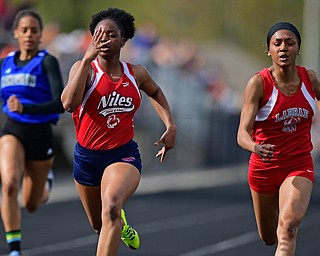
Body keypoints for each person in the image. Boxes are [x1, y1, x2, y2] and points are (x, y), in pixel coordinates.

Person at [61, 7, 176, 256]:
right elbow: (68, 104)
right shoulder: (84, 70)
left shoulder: (136, 73)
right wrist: (86, 60)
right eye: (99, 34)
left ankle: (116, 216)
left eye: (111, 35)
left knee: (111, 206)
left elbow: (155, 92)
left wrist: (170, 124)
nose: (104, 39)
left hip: (122, 155)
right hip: (87, 158)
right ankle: (121, 226)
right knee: (99, 225)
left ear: (123, 40)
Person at [237, 21, 320, 256]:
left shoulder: (310, 80)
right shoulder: (258, 84)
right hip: (264, 168)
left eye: (290, 43)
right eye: (277, 43)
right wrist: (255, 146)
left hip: (298, 165)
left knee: (289, 227)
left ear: (298, 48)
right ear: (269, 50)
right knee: (269, 237)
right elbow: (242, 133)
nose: (283, 48)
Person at [0, 9, 65, 256]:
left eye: (34, 30)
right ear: (16, 33)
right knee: (8, 185)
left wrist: (27, 106)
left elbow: (60, 103)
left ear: (40, 35)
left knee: (31, 203)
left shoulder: (47, 62)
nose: (29, 34)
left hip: (40, 133)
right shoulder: (5, 63)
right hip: (13, 130)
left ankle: (45, 182)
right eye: (24, 30)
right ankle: (14, 249)